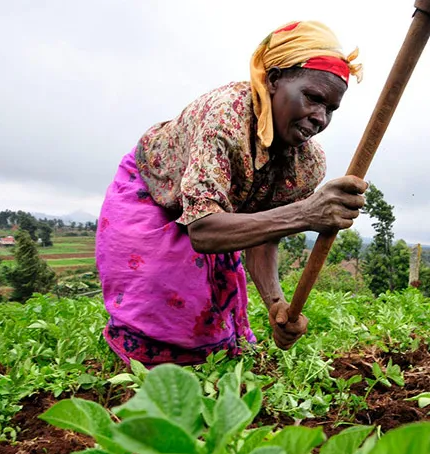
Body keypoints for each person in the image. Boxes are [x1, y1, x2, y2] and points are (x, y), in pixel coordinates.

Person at [96, 20, 367, 366]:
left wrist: (276, 305)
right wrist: (305, 214)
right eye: (313, 98)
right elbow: (204, 231)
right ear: (273, 80)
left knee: (211, 329)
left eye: (330, 108)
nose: (320, 118)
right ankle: (140, 375)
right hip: (154, 192)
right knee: (160, 297)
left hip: (218, 212)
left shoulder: (307, 164)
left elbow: (264, 235)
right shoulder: (225, 119)